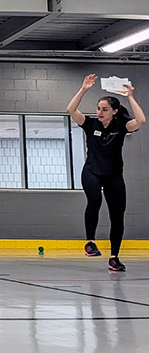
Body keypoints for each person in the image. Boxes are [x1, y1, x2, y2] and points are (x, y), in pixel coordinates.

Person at [66, 74, 145, 271]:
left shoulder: (121, 126)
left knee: (117, 215)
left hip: (114, 175)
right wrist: (84, 89)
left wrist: (131, 97)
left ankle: (114, 257)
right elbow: (70, 110)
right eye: (98, 108)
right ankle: (90, 242)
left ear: (114, 111)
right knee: (94, 200)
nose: (100, 112)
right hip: (92, 171)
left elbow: (141, 120)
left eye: (105, 109)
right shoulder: (90, 124)